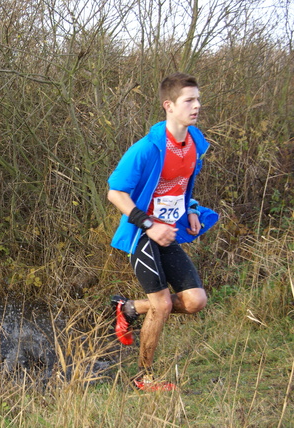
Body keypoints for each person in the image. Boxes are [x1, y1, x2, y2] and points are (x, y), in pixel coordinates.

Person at [106, 73, 218, 391]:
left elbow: (180, 189)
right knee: (163, 305)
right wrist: (150, 225)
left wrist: (192, 210)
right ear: (169, 106)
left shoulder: (194, 144)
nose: (196, 105)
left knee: (195, 301)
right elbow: (115, 193)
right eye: (189, 100)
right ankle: (144, 377)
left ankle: (127, 308)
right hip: (143, 233)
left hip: (169, 232)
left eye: (197, 99)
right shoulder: (146, 149)